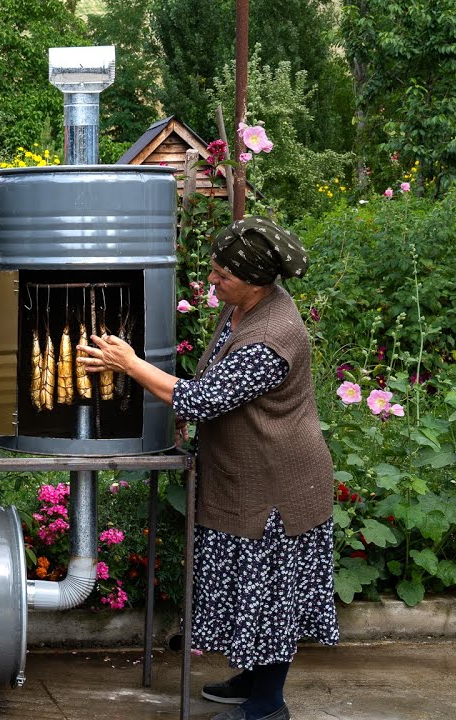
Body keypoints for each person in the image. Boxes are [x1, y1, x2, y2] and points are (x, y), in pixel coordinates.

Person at [79, 217, 338, 720]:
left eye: (223, 275)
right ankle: (254, 680)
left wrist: (130, 364)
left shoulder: (272, 337)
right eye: (214, 269)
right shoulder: (242, 307)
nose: (211, 280)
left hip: (279, 489)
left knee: (270, 596)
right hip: (245, 475)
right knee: (249, 590)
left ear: (257, 281)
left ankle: (268, 706)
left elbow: (205, 399)